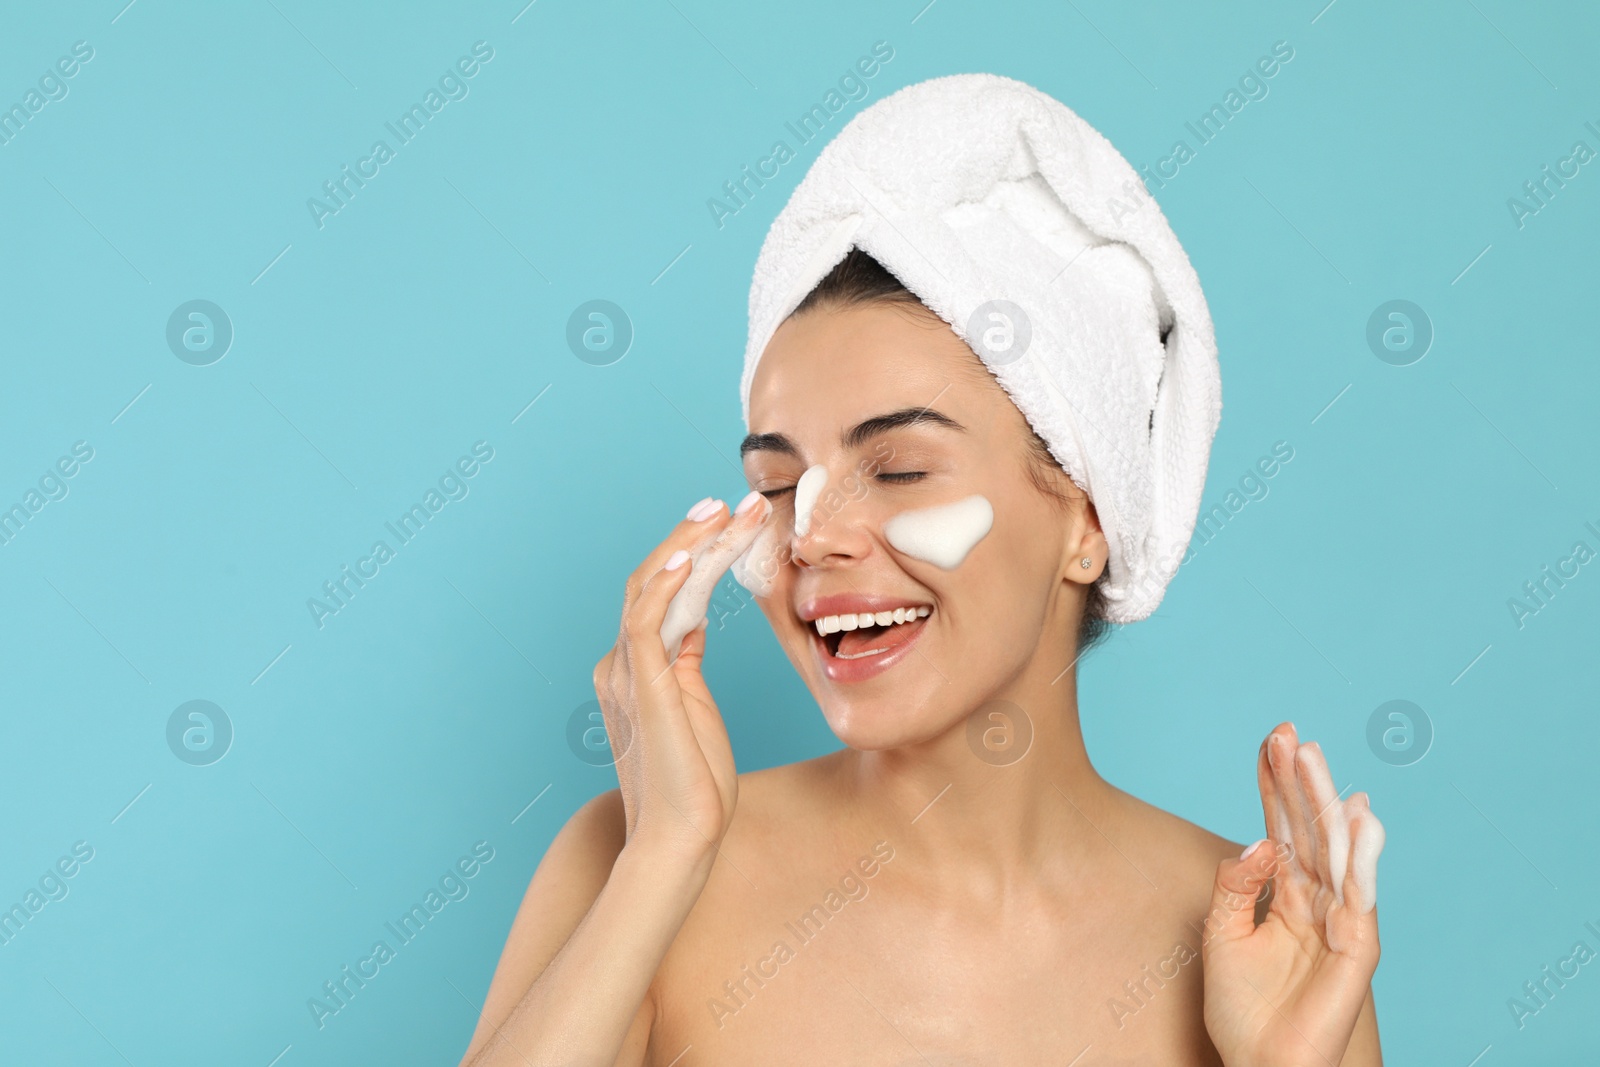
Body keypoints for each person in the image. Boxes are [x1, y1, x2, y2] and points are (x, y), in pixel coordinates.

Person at [459, 76, 1385, 1067]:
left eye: (896, 468)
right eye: (776, 485)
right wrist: (660, 866)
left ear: (1086, 519)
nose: (810, 535)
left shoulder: (1258, 935)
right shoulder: (631, 859)